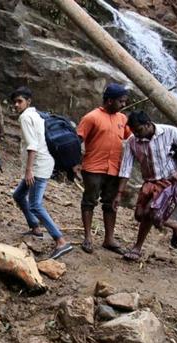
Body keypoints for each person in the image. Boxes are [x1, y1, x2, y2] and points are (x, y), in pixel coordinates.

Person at [114, 111, 177, 261]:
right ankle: (176, 226)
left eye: (139, 130)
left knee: (153, 213)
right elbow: (126, 168)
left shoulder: (171, 132)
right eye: (134, 132)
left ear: (148, 124)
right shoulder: (132, 141)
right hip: (150, 181)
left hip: (171, 179)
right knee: (140, 215)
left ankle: (137, 248)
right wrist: (119, 193)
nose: (137, 135)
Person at [11, 87, 73, 259]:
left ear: (28, 101)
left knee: (35, 205)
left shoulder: (25, 117)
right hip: (45, 162)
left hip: (38, 166)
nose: (16, 105)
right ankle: (35, 228)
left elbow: (32, 146)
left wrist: (29, 170)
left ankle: (61, 241)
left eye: (20, 101)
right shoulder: (37, 115)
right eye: (14, 102)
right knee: (18, 195)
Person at [74, 83, 132, 255]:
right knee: (89, 201)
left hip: (114, 168)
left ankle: (109, 239)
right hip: (93, 167)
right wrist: (76, 162)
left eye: (124, 102)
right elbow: (78, 139)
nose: (123, 105)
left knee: (111, 204)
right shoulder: (91, 117)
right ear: (109, 101)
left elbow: (131, 137)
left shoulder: (122, 119)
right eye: (120, 101)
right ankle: (88, 237)